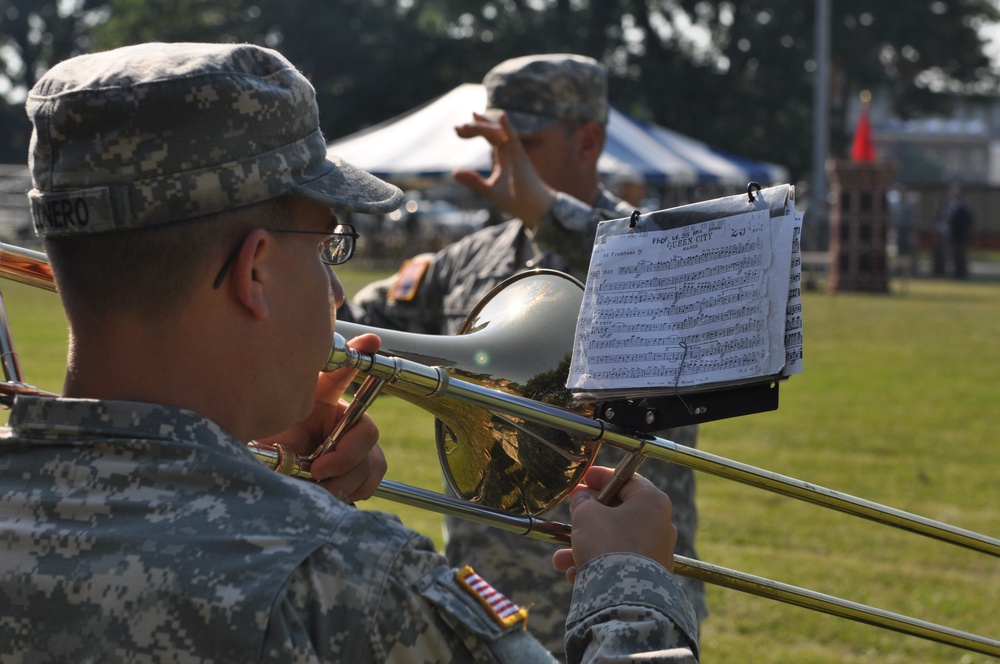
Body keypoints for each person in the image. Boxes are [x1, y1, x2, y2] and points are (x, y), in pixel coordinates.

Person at [0, 42, 699, 663]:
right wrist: (633, 590)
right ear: (256, 271)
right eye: (330, 245)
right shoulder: (356, 586)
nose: (336, 290)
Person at [341, 53, 707, 654]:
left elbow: (684, 298)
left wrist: (550, 215)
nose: (501, 161)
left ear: (588, 140)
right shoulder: (467, 259)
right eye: (492, 140)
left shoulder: (657, 251)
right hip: (486, 595)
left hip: (623, 584)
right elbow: (354, 329)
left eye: (524, 143)